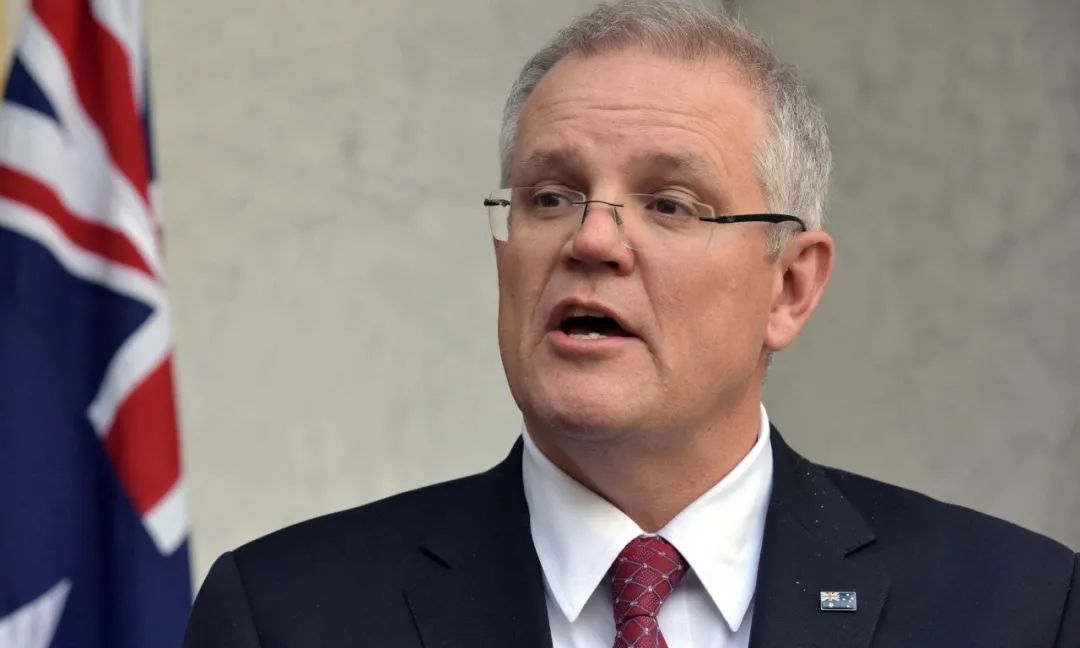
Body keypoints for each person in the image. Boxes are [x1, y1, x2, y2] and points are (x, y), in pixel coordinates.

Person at [183, 1, 1079, 646]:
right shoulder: (286, 615)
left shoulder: (1016, 610)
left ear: (789, 288)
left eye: (671, 204)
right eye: (550, 195)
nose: (592, 238)